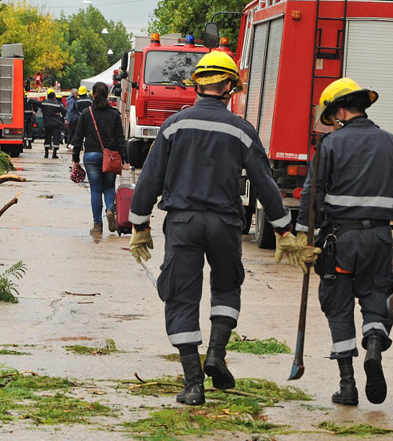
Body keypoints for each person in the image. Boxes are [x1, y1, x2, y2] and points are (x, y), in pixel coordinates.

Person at [126, 51, 300, 406]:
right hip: (225, 223)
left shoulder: (173, 125)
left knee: (180, 297)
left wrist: (139, 223)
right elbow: (265, 183)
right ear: (230, 87)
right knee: (226, 287)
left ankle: (193, 385)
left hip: (183, 223)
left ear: (197, 85)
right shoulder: (241, 129)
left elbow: (150, 178)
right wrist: (283, 229)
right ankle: (217, 354)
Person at [290, 77, 393, 406]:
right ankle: (374, 347)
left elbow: (313, 193)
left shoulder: (330, 146)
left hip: (339, 240)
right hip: (380, 239)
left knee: (337, 304)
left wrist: (303, 236)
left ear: (339, 112)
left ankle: (347, 384)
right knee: (375, 296)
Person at [72, 82, 128, 234]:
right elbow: (120, 138)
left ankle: (98, 225)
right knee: (109, 187)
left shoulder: (86, 113)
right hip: (110, 156)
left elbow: (78, 137)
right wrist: (125, 159)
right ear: (108, 94)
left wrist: (75, 159)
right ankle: (110, 209)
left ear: (93, 94)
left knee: (95, 190)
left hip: (91, 156)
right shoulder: (114, 114)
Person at [37, 89, 67, 159]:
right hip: (56, 124)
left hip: (47, 124)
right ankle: (54, 154)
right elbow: (65, 111)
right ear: (54, 97)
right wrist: (58, 114)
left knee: (47, 137)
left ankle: (46, 154)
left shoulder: (44, 103)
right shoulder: (57, 105)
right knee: (56, 138)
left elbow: (35, 102)